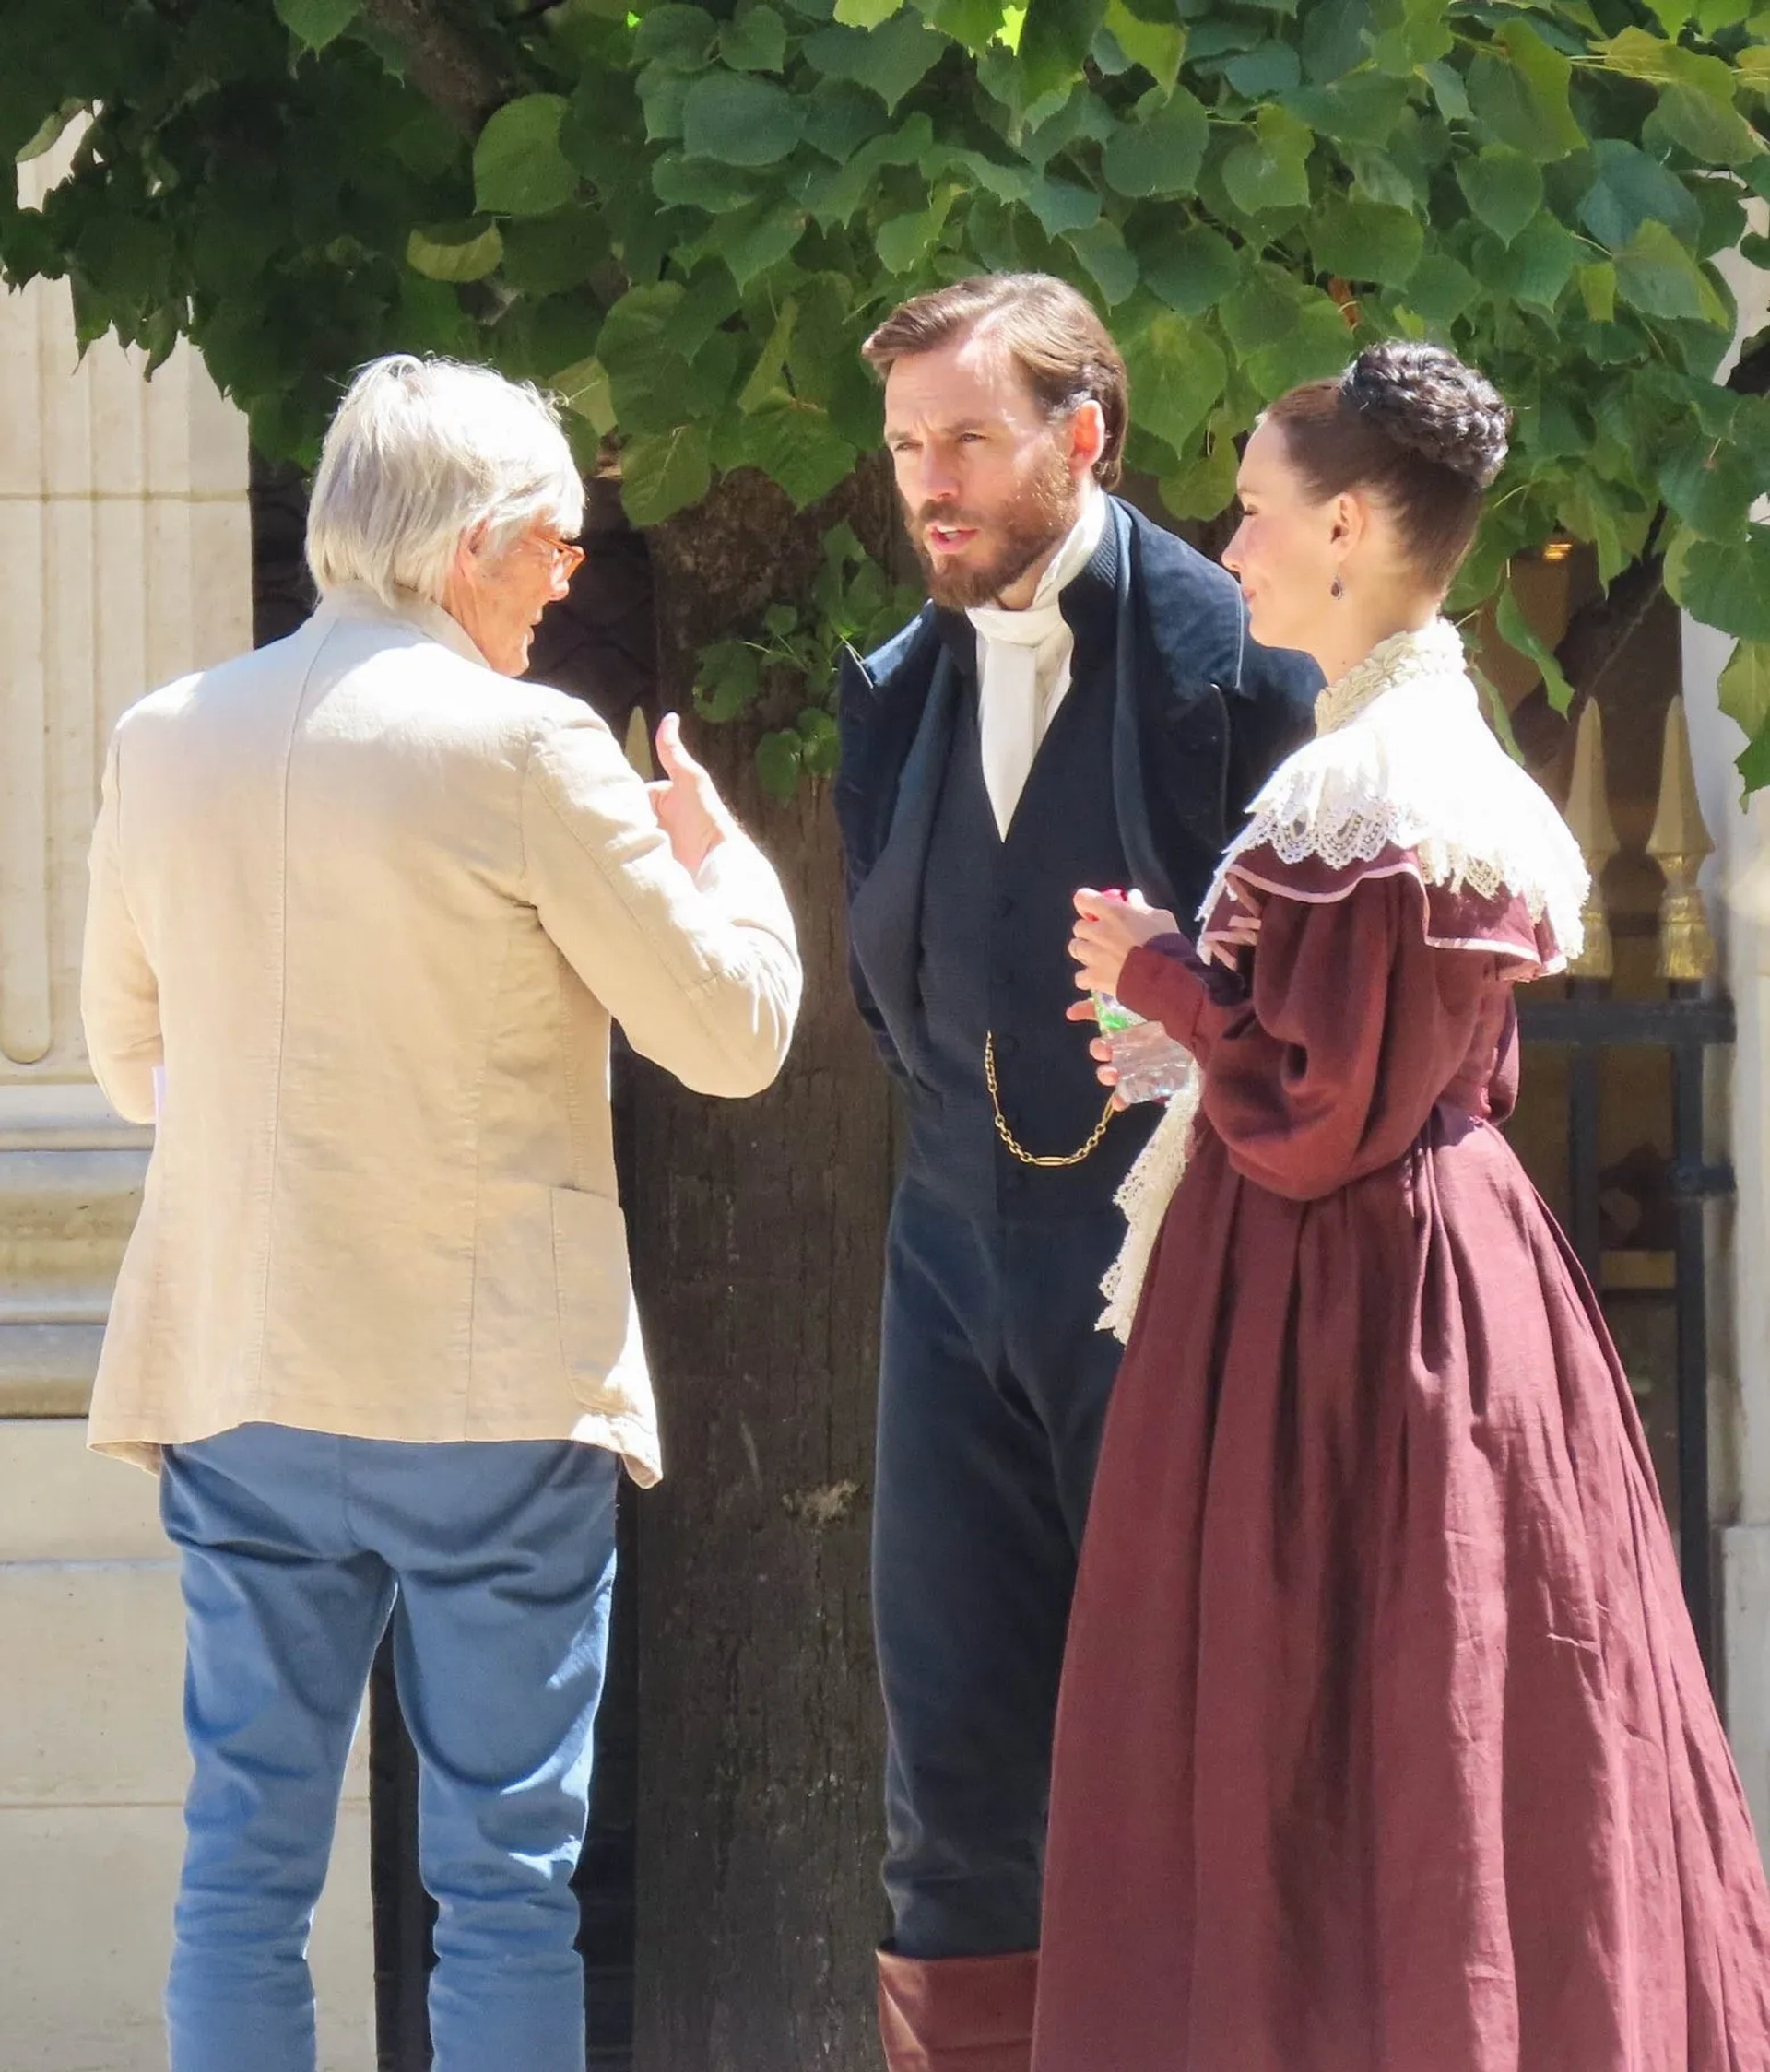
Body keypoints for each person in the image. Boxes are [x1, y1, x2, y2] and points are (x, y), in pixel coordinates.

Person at [1034, 341, 1770, 2070]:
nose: (1230, 546)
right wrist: (1185, 1015)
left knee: (1361, 1711)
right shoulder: (1404, 759)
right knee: (1437, 1716)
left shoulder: (1372, 787)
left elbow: (1315, 1110)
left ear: (1351, 527)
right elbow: (1356, 1062)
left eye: (1256, 511)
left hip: (1356, 1320)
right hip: (1422, 1286)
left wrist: (1165, 975)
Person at [79, 354, 801, 2072]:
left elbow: (124, 1063)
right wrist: (732, 871)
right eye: (555, 543)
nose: (568, 577)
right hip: (487, 1386)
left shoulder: (167, 736)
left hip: (240, 1363)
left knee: (243, 1868)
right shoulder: (532, 747)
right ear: (474, 545)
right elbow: (734, 1039)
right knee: (502, 1884)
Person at [834, 272, 1319, 2070]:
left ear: (1083, 435)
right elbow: (902, 1002)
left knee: (1195, 1748)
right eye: (904, 446)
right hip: (947, 1256)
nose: (928, 480)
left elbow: (1335, 1006)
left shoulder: (1246, 662)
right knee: (948, 1755)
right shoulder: (889, 691)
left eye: (967, 436)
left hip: (1177, 1268)